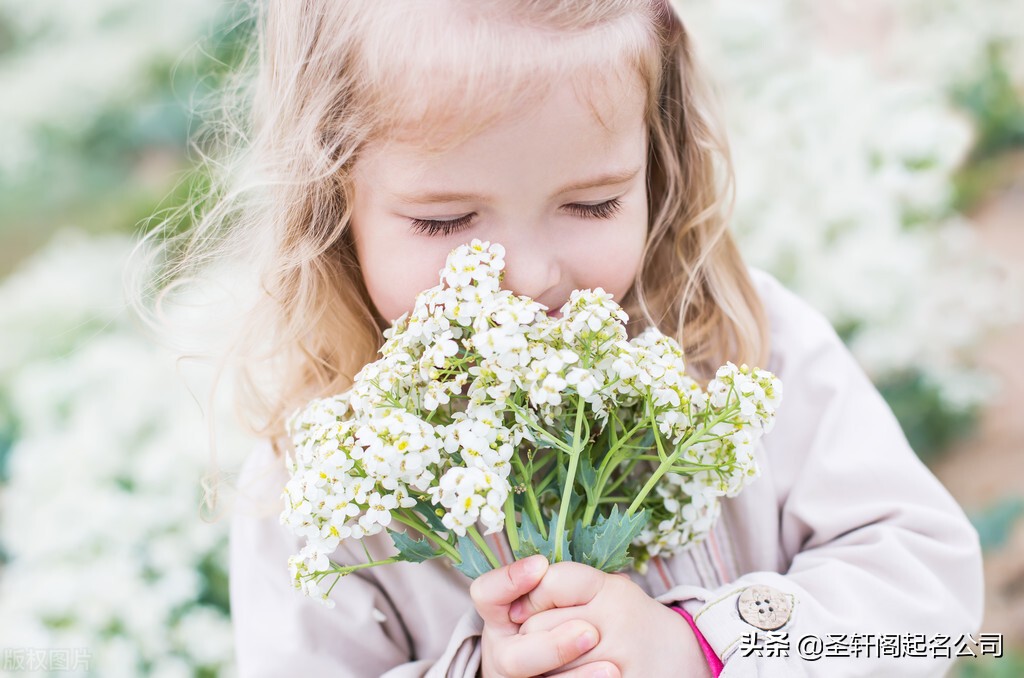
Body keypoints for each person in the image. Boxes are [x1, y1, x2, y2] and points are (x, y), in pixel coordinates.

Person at [161, 0, 983, 675]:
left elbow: (924, 592)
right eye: (445, 220)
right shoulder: (320, 480)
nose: (527, 276)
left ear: (656, 166)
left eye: (593, 204)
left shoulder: (741, 345)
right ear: (334, 206)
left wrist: (704, 648)